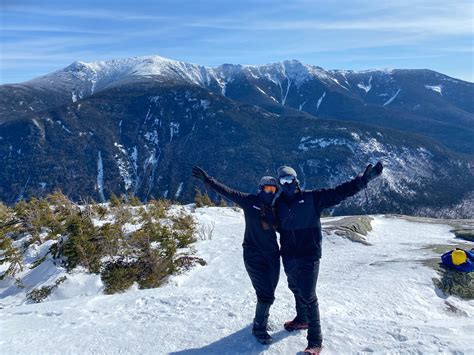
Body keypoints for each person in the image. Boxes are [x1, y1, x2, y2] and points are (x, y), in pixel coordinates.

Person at [273, 162, 383, 355]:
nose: (287, 183)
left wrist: (363, 180)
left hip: (309, 255)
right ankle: (302, 319)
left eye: (290, 179)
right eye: (283, 180)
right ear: (280, 183)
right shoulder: (278, 205)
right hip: (289, 255)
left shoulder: (312, 198)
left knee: (308, 296)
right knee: (295, 287)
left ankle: (315, 342)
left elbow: (339, 192)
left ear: (296, 180)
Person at [192, 166, 280, 345]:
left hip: (273, 256)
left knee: (269, 290)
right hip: (253, 255)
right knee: (266, 295)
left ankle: (261, 317)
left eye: (274, 189)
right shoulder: (250, 201)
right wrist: (208, 180)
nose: (270, 192)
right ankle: (259, 327)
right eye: (267, 188)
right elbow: (228, 192)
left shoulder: (276, 208)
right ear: (260, 189)